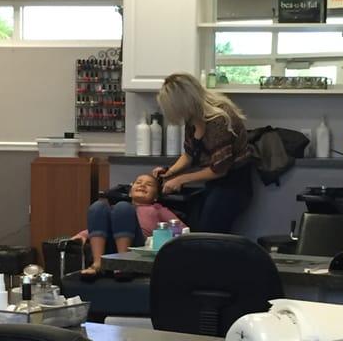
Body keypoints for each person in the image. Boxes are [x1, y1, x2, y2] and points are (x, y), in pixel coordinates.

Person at [153, 73, 252, 233]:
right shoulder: (192, 118)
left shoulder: (219, 120)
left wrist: (181, 179)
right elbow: (189, 154)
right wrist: (169, 173)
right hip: (214, 184)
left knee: (209, 232)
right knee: (197, 227)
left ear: (184, 102)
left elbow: (219, 169)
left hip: (234, 185)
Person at [73, 173, 185, 277]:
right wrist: (82, 235)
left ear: (155, 196)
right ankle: (97, 264)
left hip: (137, 248)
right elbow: (99, 227)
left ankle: (124, 265)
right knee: (98, 206)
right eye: (138, 182)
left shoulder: (157, 209)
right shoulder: (114, 209)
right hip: (109, 247)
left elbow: (182, 229)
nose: (142, 185)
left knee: (123, 207)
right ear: (130, 192)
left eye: (149, 184)